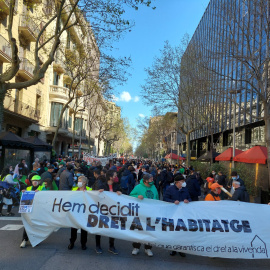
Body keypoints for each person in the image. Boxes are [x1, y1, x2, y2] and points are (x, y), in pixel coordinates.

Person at [130, 173, 159, 257]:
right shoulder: (138, 187)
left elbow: (156, 198)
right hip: (140, 213)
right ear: (146, 180)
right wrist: (137, 196)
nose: (152, 180)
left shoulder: (154, 187)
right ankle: (136, 247)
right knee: (138, 230)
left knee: (149, 231)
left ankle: (148, 248)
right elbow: (130, 196)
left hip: (151, 213)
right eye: (151, 179)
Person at [163, 174, 191, 257]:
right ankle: (173, 249)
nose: (184, 183)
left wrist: (187, 200)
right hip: (173, 213)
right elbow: (165, 199)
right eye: (182, 181)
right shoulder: (170, 189)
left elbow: (189, 198)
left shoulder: (185, 189)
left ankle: (181, 249)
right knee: (174, 232)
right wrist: (173, 202)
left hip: (183, 213)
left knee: (182, 232)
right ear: (177, 182)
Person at [96, 170, 122, 255]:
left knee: (112, 228)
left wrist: (120, 193)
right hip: (103, 210)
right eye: (115, 175)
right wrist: (98, 192)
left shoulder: (117, 186)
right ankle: (98, 246)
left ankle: (111, 246)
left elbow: (122, 195)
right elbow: (95, 195)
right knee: (99, 227)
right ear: (111, 177)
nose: (116, 177)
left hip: (113, 210)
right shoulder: (102, 185)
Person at [20, 175, 46, 248]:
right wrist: (22, 193)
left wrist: (40, 193)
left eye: (36, 181)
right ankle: (24, 240)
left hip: (37, 210)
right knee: (27, 224)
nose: (35, 182)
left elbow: (45, 197)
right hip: (28, 210)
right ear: (31, 181)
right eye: (33, 180)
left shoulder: (42, 188)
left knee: (35, 225)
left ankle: (35, 240)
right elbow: (22, 198)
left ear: (39, 181)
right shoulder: (28, 188)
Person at [68, 176, 92, 251]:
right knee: (73, 229)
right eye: (78, 180)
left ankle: (83, 244)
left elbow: (92, 199)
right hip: (75, 212)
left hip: (84, 212)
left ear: (84, 182)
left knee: (84, 229)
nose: (78, 182)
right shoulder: (74, 189)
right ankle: (72, 242)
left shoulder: (89, 190)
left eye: (80, 181)